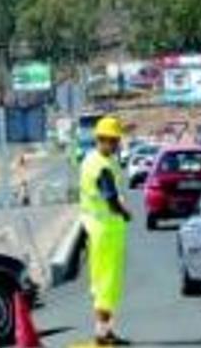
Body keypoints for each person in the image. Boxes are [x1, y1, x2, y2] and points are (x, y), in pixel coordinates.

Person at [79, 116, 133, 346]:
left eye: (117, 140)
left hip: (100, 228)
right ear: (102, 140)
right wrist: (125, 212)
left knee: (106, 283)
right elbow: (110, 198)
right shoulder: (101, 166)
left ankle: (107, 331)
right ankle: (102, 334)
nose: (116, 145)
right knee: (106, 284)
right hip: (105, 230)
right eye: (113, 140)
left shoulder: (94, 159)